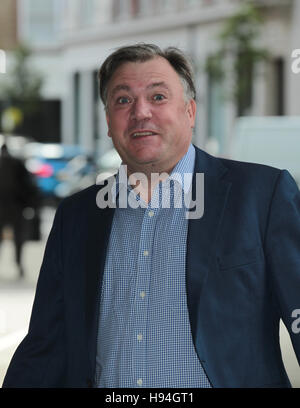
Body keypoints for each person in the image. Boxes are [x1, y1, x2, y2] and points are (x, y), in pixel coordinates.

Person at [2, 44, 300, 388]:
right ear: (109, 122)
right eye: (123, 100)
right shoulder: (77, 217)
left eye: (158, 97)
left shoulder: (261, 195)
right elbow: (45, 346)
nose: (140, 112)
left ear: (189, 111)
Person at [0, 143, 40, 278]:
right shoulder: (17, 164)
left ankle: (18, 264)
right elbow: (29, 185)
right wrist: (31, 205)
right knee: (18, 238)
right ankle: (18, 263)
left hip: (4, 206)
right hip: (16, 206)